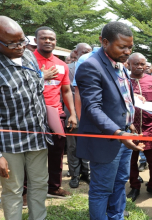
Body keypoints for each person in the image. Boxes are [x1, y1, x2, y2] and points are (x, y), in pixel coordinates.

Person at [75, 21, 145, 219]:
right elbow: (92, 109)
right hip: (106, 139)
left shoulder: (120, 65)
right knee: (101, 189)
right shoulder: (91, 66)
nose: (127, 51)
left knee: (119, 181)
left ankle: (116, 215)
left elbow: (121, 99)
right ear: (104, 42)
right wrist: (119, 133)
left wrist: (129, 124)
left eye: (130, 47)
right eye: (122, 46)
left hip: (123, 136)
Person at [0, 15, 52, 220]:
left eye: (22, 40)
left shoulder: (29, 56)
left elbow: (37, 89)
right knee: (13, 191)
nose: (20, 47)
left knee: (40, 185)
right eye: (12, 43)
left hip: (37, 137)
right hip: (9, 144)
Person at [33, 26, 77, 197]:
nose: (48, 41)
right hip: (31, 114)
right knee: (31, 153)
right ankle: (25, 191)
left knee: (57, 152)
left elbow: (66, 91)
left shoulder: (61, 65)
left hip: (55, 114)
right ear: (36, 40)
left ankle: (53, 187)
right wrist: (39, 76)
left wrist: (72, 113)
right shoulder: (26, 60)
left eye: (51, 38)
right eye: (44, 38)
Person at [126, 53, 152, 202]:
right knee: (131, 160)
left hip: (151, 128)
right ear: (129, 64)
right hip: (130, 128)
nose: (140, 67)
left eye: (142, 64)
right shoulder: (124, 81)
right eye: (136, 64)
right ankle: (134, 186)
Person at [66, 43, 92, 188]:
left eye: (90, 52)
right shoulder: (67, 69)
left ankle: (86, 173)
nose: (88, 55)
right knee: (73, 147)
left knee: (88, 144)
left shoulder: (94, 68)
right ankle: (74, 175)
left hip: (89, 115)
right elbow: (65, 92)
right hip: (72, 114)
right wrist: (72, 114)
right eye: (84, 52)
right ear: (75, 53)